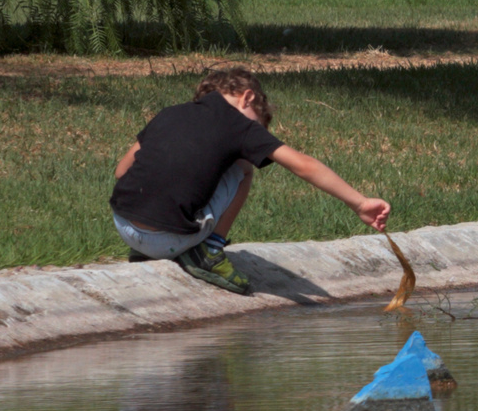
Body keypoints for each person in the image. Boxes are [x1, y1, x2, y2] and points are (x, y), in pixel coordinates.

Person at [110, 66, 390, 295]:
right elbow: (304, 166)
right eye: (259, 123)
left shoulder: (170, 112)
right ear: (247, 98)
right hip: (167, 240)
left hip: (123, 224)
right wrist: (360, 203)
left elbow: (122, 171)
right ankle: (210, 250)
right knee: (243, 168)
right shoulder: (239, 125)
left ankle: (154, 246)